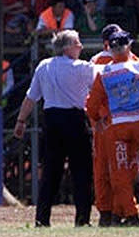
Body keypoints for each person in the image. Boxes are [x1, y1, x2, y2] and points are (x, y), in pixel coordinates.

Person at [13, 30, 95, 227]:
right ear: (67, 48)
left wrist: (20, 121)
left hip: (52, 120)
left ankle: (42, 219)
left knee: (50, 172)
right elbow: (98, 86)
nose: (80, 47)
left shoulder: (44, 66)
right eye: (77, 43)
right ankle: (82, 219)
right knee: (81, 173)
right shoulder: (83, 68)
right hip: (75, 120)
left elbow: (31, 97)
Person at [86, 31, 139, 226]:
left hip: (116, 128)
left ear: (110, 48)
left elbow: (92, 105)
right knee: (131, 171)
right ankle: (120, 213)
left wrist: (98, 120)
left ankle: (130, 215)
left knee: (118, 173)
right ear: (129, 46)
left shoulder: (105, 73)